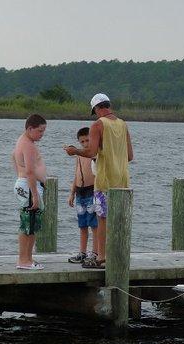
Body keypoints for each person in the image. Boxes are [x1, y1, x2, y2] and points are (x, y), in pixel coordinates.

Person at [64, 93, 133, 268]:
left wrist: (74, 151)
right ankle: (118, 256)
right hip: (123, 180)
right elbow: (130, 156)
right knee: (118, 220)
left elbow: (91, 152)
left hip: (104, 181)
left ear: (97, 108)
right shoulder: (123, 124)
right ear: (108, 105)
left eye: (94, 111)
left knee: (102, 218)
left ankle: (101, 258)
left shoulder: (98, 125)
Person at [12, 114, 47, 270]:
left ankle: (28, 258)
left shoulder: (22, 140)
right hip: (28, 186)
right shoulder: (28, 144)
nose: (42, 134)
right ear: (30, 128)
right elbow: (31, 172)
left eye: (43, 131)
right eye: (40, 131)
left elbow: (13, 158)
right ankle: (24, 260)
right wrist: (34, 194)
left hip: (24, 184)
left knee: (30, 223)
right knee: (29, 224)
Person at [67, 127, 98, 264]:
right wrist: (72, 193)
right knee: (82, 224)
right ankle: (82, 252)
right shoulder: (79, 155)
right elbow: (76, 174)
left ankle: (95, 252)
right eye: (82, 141)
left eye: (87, 140)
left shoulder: (95, 154)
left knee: (94, 224)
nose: (85, 144)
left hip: (92, 191)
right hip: (80, 192)